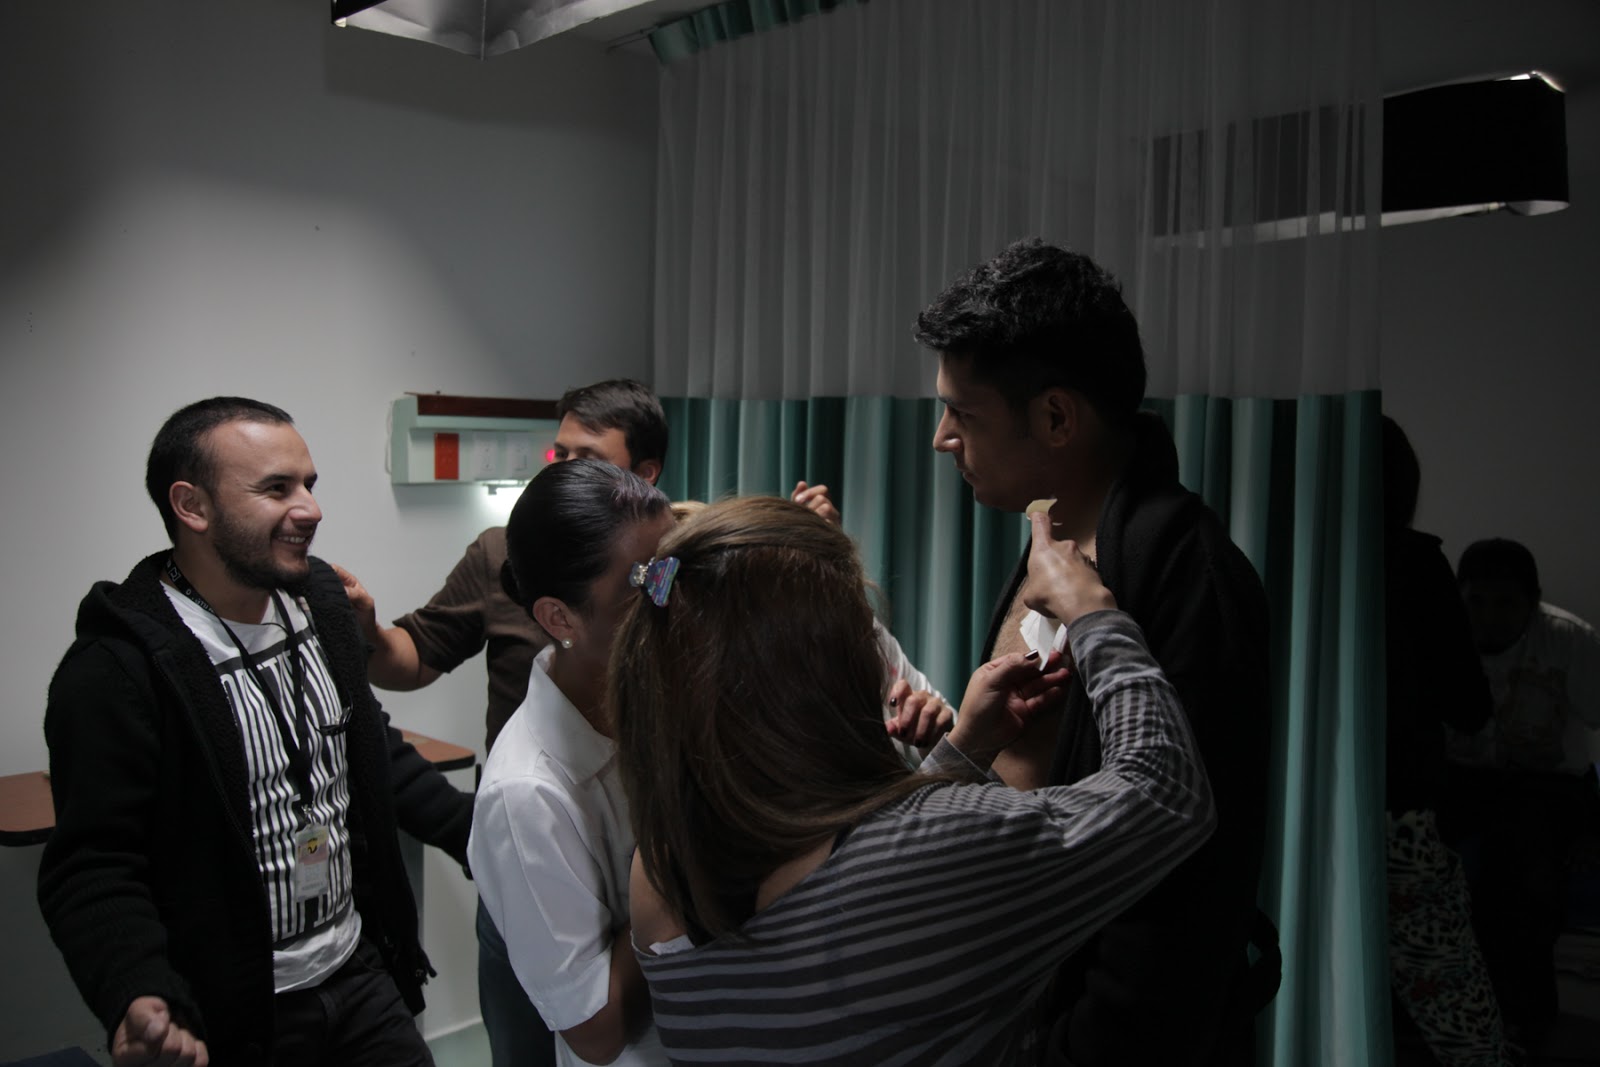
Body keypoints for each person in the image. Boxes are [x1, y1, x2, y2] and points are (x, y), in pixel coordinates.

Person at [617, 497, 1215, 1065]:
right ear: (832, 671)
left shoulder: (660, 866)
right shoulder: (936, 850)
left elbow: (845, 886)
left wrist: (964, 750)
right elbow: (1164, 792)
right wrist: (1093, 614)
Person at [914, 238, 1274, 1066]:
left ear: (1055, 418)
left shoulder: (1189, 576)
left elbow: (1188, 899)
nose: (941, 438)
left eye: (963, 414)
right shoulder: (1053, 540)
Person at [37, 397, 472, 1067]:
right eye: (277, 488)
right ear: (192, 506)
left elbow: (367, 749)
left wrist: (481, 837)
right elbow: (94, 864)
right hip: (238, 1011)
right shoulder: (117, 670)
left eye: (309, 484)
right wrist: (137, 991)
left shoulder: (321, 602)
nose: (311, 508)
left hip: (358, 971)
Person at [468, 459, 677, 1066]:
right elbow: (595, 1032)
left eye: (672, 570)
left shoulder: (666, 689)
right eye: (643, 584)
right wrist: (686, 852)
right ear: (559, 618)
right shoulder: (525, 795)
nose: (672, 601)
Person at [1380, 417, 1513, 1067]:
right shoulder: (1413, 564)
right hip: (1395, 811)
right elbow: (1468, 704)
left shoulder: (1280, 545)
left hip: (1282, 805)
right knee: (1453, 999)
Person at [1444, 537, 1600, 1038]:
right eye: (1477, 601)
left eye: (1506, 604)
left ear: (1533, 603)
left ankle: (1520, 1013)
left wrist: (1592, 823)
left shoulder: (1568, 640)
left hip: (1548, 783)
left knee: (1527, 868)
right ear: (1459, 597)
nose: (1490, 617)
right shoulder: (1439, 633)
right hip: (1463, 774)